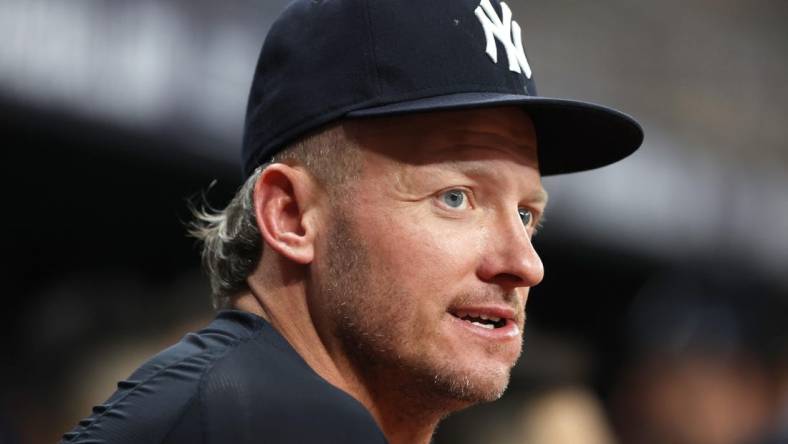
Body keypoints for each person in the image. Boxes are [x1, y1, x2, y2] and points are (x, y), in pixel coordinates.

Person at [61, 0, 643, 443]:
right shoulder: (276, 419)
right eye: (455, 198)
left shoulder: (231, 400)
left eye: (525, 214)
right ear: (289, 215)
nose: (524, 264)